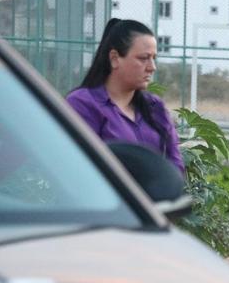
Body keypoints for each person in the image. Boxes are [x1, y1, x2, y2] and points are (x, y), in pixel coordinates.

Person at [67, 18, 184, 174]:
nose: (152, 67)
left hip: (153, 198)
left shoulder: (155, 107)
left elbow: (175, 166)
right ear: (115, 58)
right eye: (143, 58)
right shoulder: (83, 104)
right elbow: (80, 168)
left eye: (153, 58)